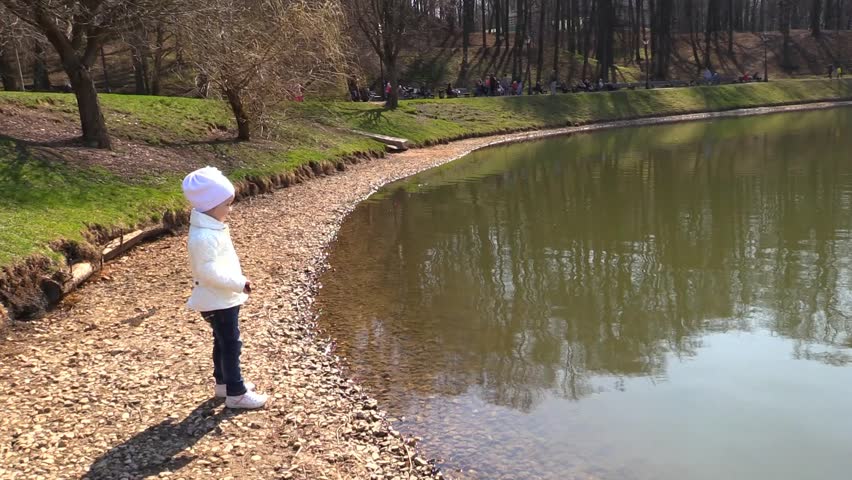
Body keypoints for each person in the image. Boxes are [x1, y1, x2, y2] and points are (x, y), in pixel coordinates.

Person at [182, 167, 268, 410]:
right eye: (227, 204)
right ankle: (236, 392)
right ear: (212, 206)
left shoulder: (210, 228)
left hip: (221, 298)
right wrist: (239, 283)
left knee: (221, 341)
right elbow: (207, 273)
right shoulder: (203, 237)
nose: (230, 209)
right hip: (217, 298)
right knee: (231, 344)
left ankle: (222, 383)